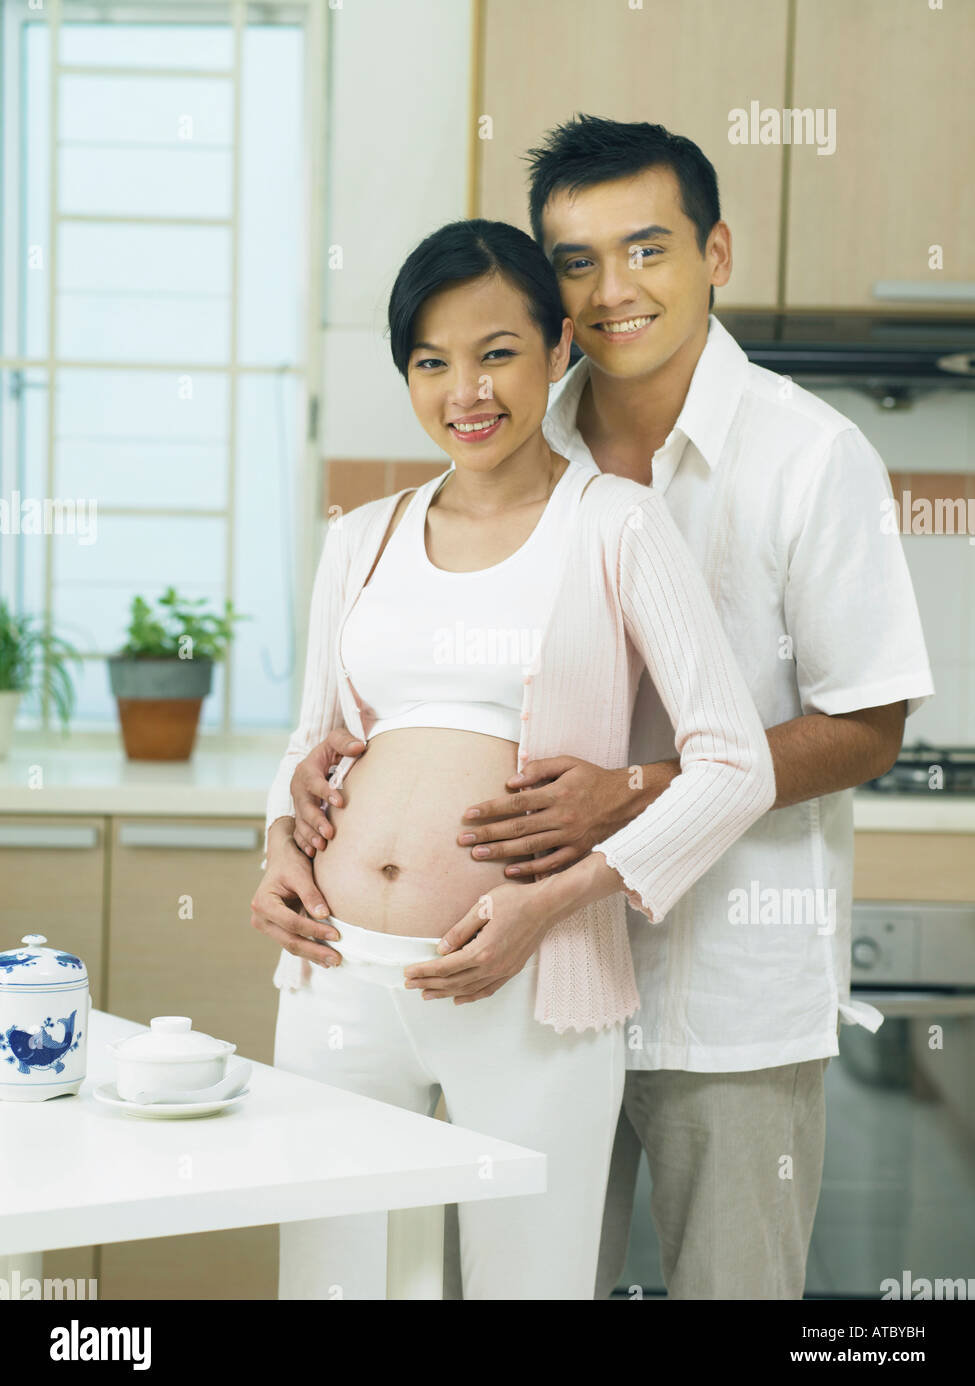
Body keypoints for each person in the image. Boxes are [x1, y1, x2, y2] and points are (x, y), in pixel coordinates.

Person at [276, 118, 935, 1300]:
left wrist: (628, 798)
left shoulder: (808, 456)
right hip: (519, 985)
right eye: (577, 260)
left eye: (647, 248)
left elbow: (870, 728)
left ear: (716, 251)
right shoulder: (513, 429)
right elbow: (346, 721)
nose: (614, 288)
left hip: (720, 981)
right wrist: (291, 822)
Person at [253, 216, 776, 1300]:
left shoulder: (617, 526)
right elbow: (309, 747)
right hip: (338, 979)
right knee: (331, 1287)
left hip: (533, 982)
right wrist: (276, 844)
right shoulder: (364, 538)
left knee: (523, 1288)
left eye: (496, 352)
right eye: (431, 362)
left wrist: (553, 904)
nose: (466, 390)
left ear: (558, 350)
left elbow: (736, 763)